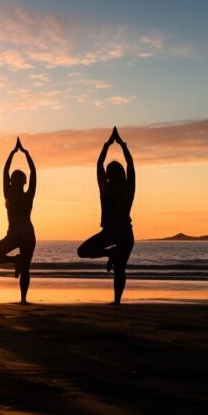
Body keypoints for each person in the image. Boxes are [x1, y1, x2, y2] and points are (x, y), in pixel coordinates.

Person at [77, 127, 135, 304]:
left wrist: (107, 145)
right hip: (125, 233)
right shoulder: (128, 188)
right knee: (120, 269)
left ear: (109, 176)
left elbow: (98, 165)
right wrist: (123, 146)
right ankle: (117, 301)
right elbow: (130, 165)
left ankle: (110, 254)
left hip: (111, 232)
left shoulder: (107, 189)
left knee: (83, 251)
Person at [0, 137, 37, 304]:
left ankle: (15, 260)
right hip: (28, 234)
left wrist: (12, 154)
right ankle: (23, 300)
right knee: (26, 269)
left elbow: (5, 172)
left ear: (13, 182)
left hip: (15, 234)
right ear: (24, 182)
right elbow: (34, 173)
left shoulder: (9, 195)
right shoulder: (28, 195)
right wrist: (27, 155)